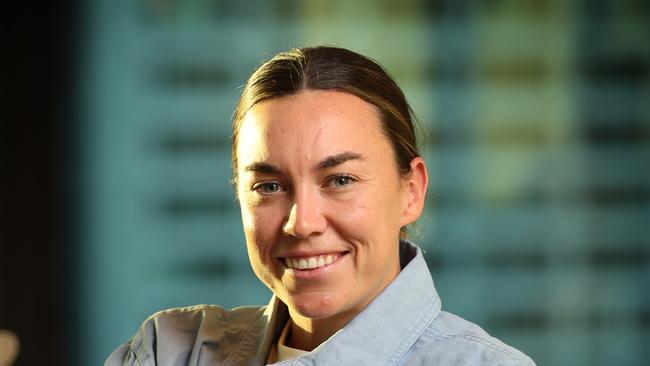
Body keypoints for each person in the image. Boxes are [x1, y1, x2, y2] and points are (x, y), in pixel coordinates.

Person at [106, 46, 535, 365]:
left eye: (340, 180)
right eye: (270, 186)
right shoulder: (173, 349)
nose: (302, 223)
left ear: (412, 191)